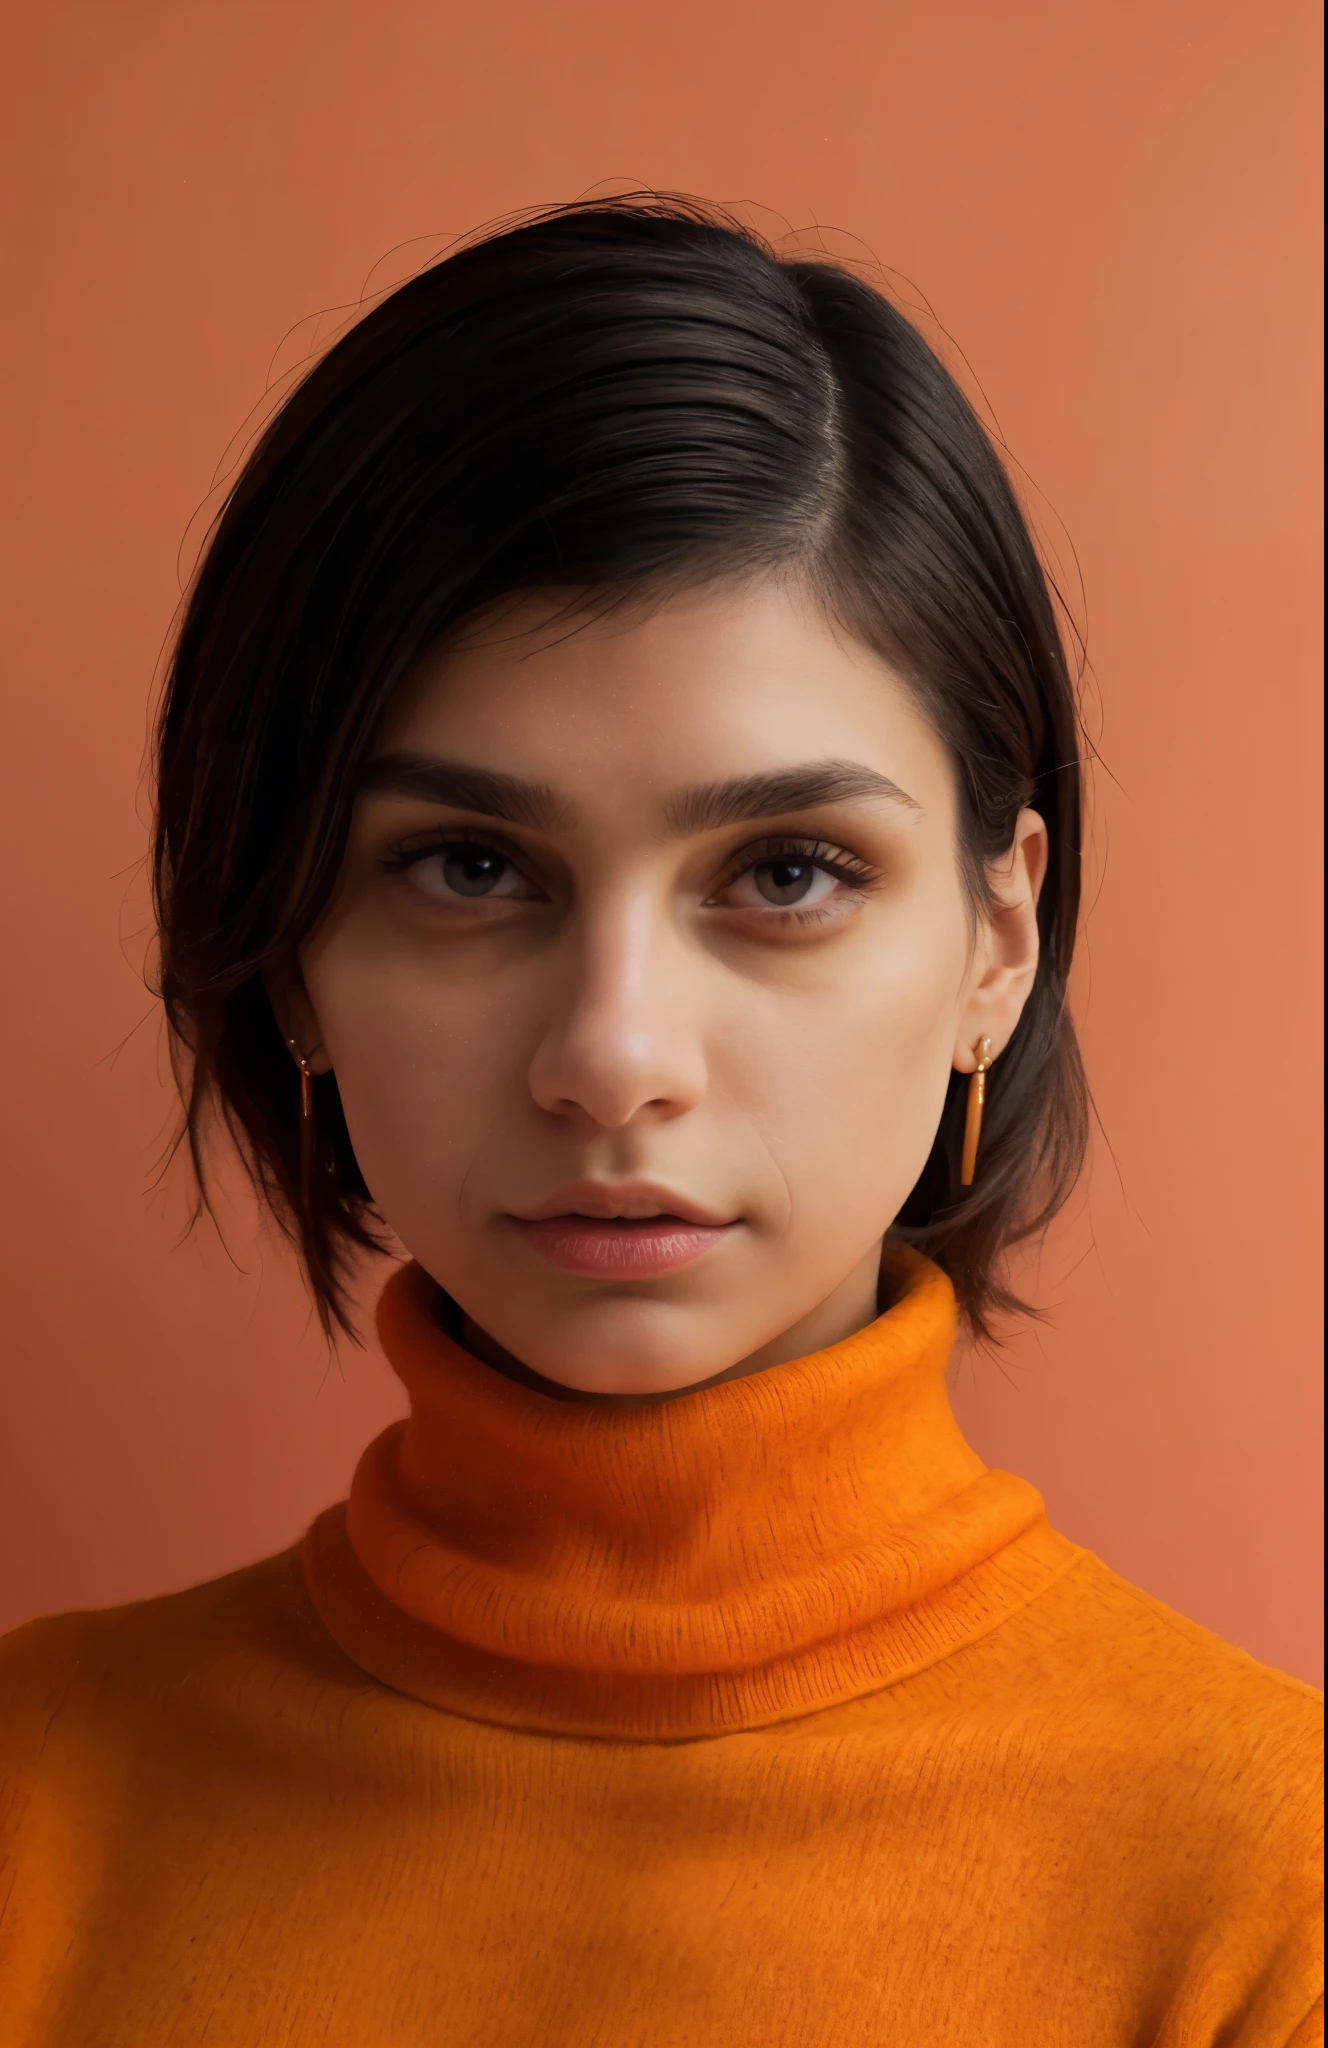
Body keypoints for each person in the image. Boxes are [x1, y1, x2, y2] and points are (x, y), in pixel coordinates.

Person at [0, 196, 1320, 2047]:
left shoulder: (1273, 1897)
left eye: (786, 871)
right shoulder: (35, 1816)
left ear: (995, 946)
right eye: (468, 866)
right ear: (288, 952)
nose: (613, 1060)